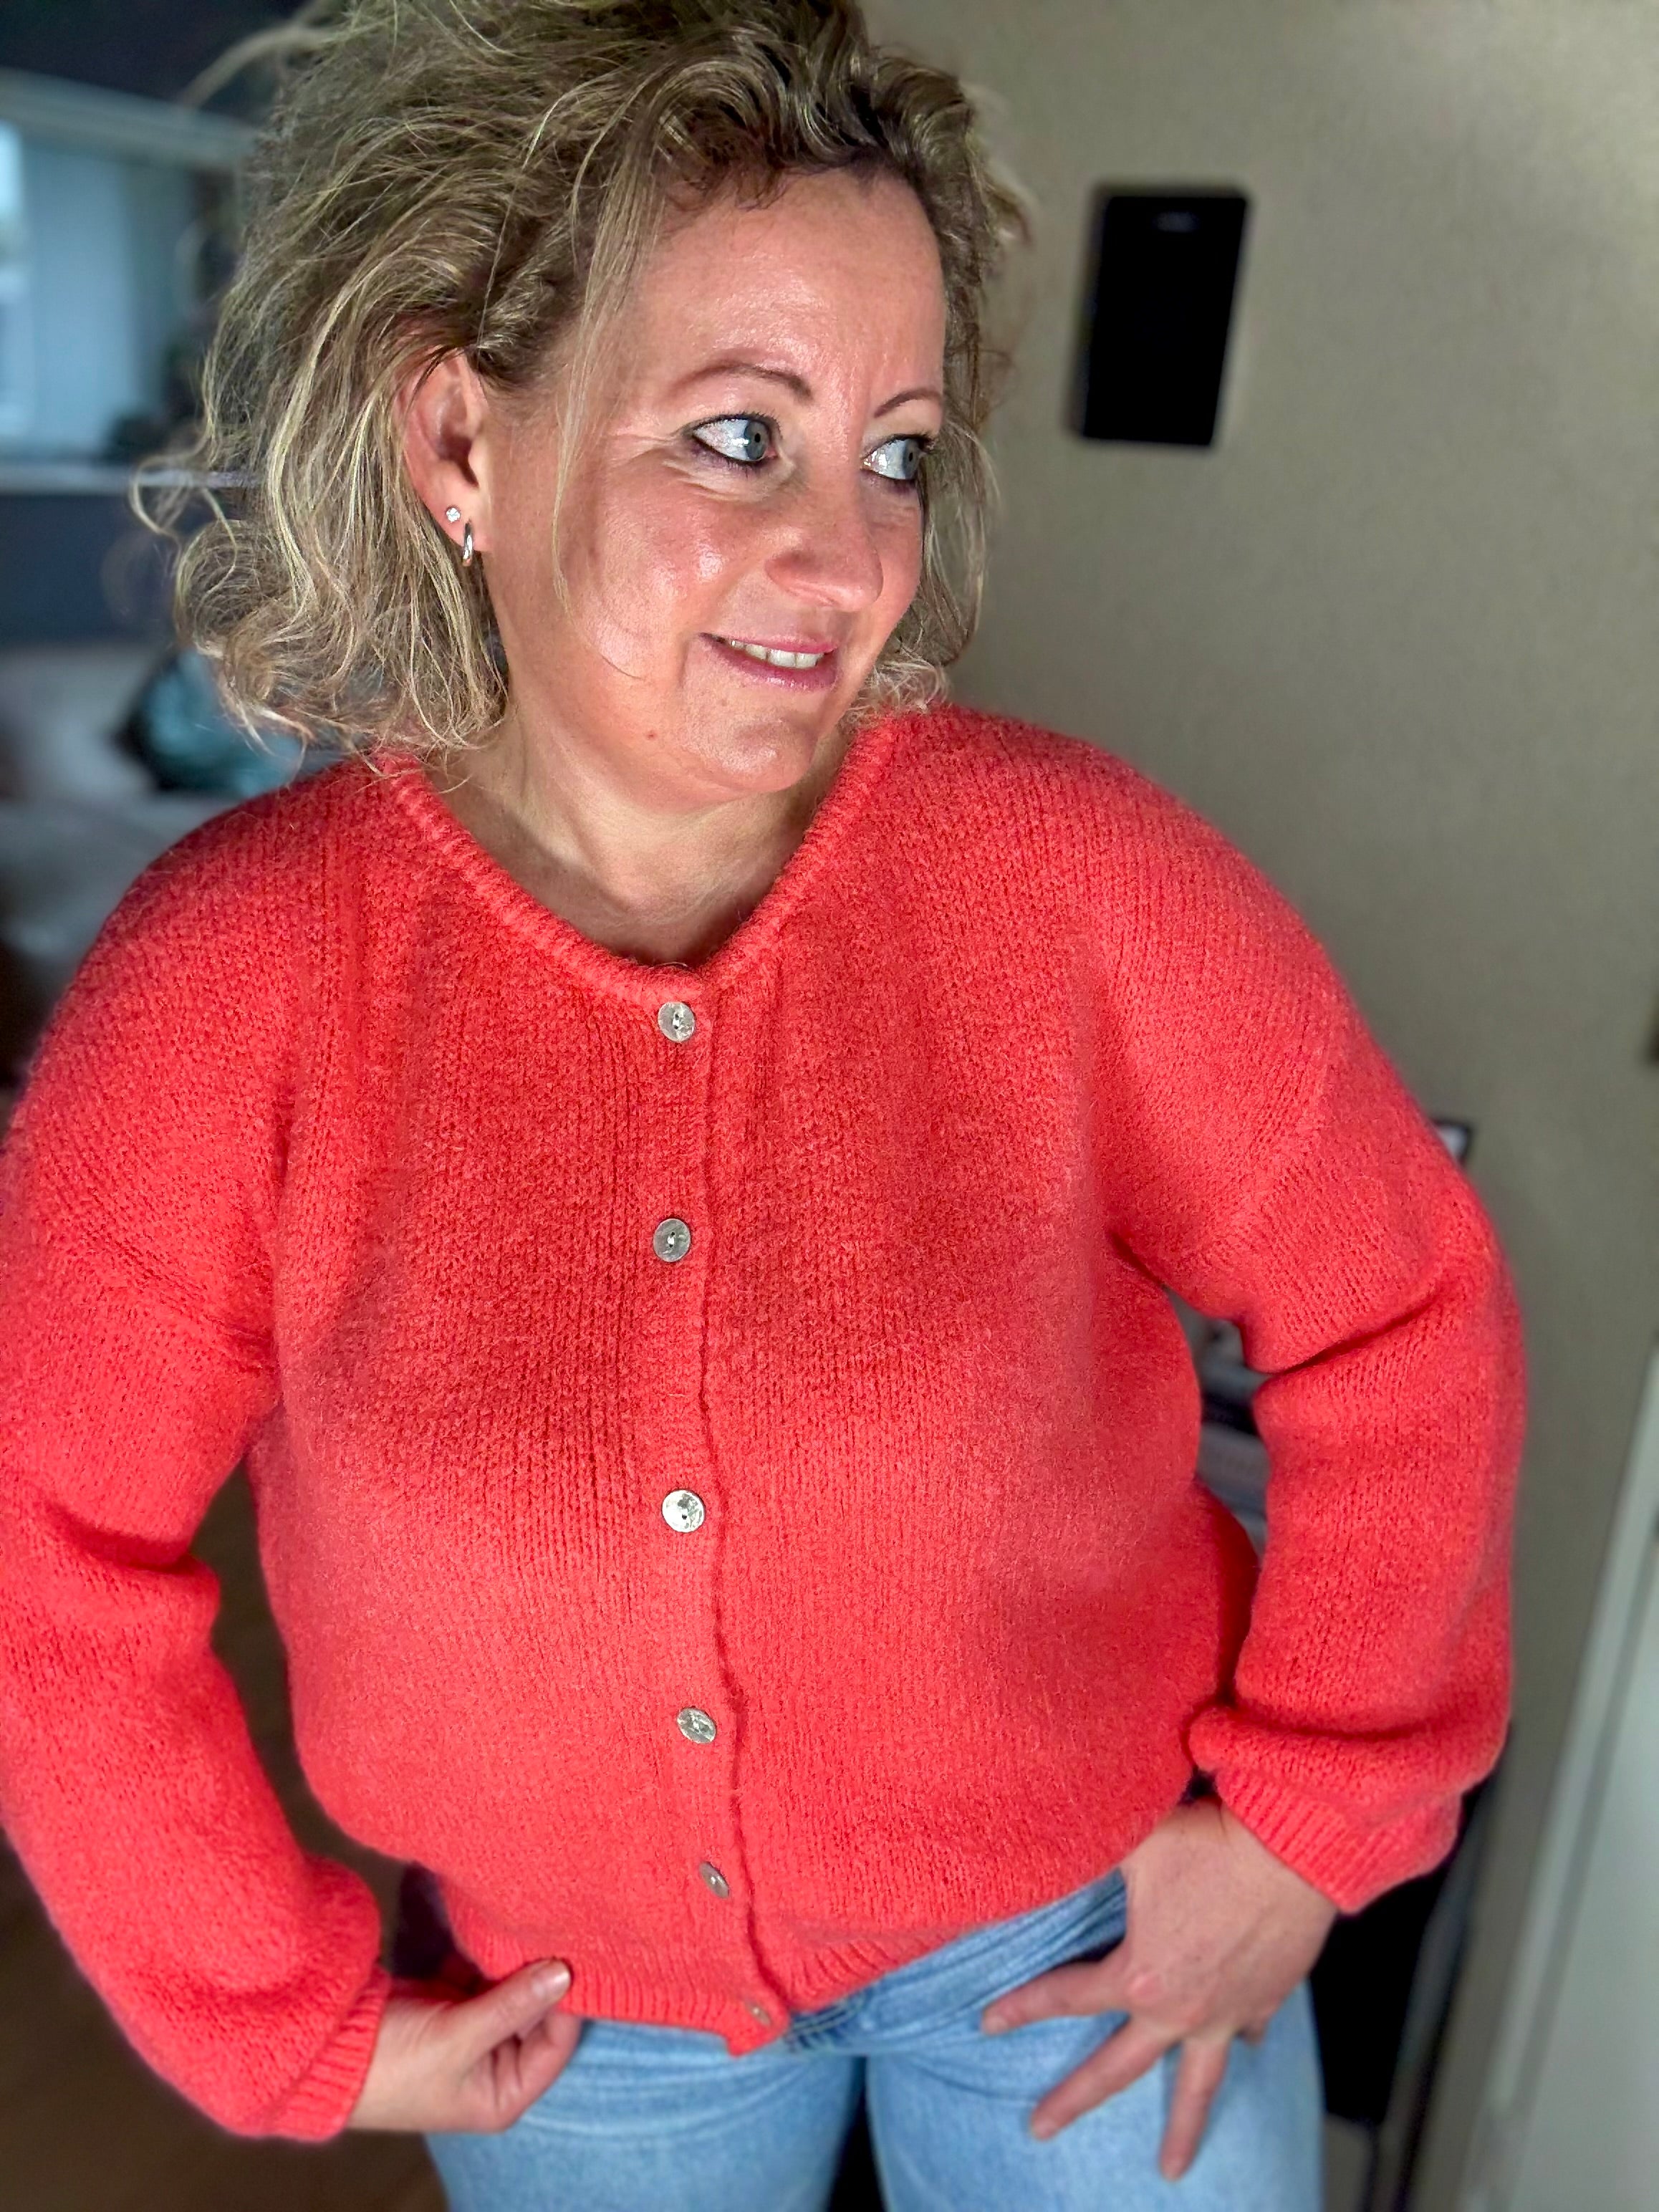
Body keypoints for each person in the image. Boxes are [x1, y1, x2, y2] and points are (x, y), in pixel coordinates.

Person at [0, 3, 1526, 2207]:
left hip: (1084, 1942)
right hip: (577, 2020)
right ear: (459, 437)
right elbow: (48, 1552)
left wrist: (1311, 1817)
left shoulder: (1076, 882)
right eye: (740, 437)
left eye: (893, 453)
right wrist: (266, 2004)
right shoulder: (224, 991)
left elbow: (1396, 1311)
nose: (846, 558)